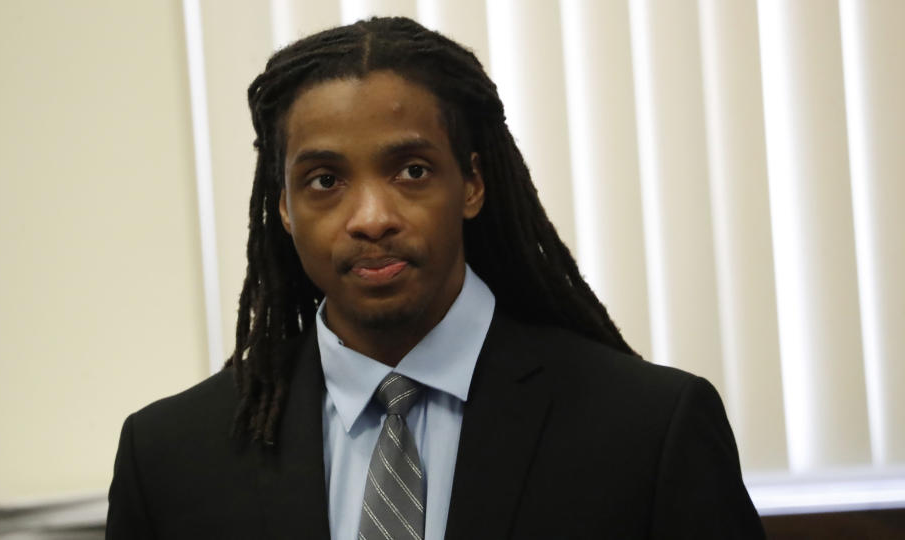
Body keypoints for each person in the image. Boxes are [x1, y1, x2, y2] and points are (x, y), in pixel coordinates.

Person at [106, 16, 764, 539]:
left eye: (411, 170)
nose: (371, 218)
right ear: (283, 207)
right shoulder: (168, 458)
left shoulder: (649, 431)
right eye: (325, 181)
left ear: (472, 182)